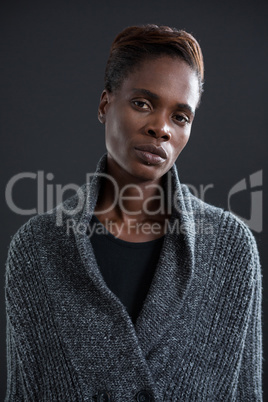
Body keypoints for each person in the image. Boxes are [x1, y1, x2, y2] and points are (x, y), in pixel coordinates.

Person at [5, 24, 262, 401]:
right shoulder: (37, 249)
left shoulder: (231, 250)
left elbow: (246, 392)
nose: (161, 128)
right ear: (105, 104)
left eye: (180, 117)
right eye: (143, 103)